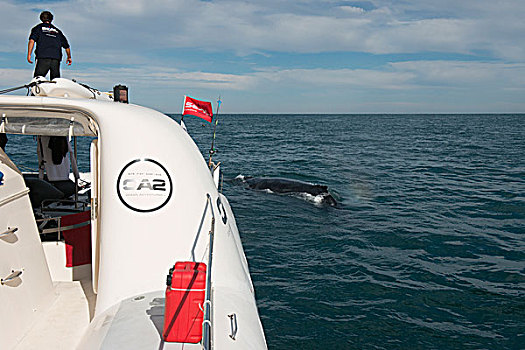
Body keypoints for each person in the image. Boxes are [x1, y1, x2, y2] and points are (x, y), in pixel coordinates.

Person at [27, 11, 72, 80]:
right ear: (51, 19)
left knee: (38, 81)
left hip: (43, 57)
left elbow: (32, 41)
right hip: (56, 59)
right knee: (55, 81)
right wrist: (69, 57)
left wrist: (29, 54)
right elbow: (66, 46)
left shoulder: (37, 28)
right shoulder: (58, 31)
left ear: (41, 19)